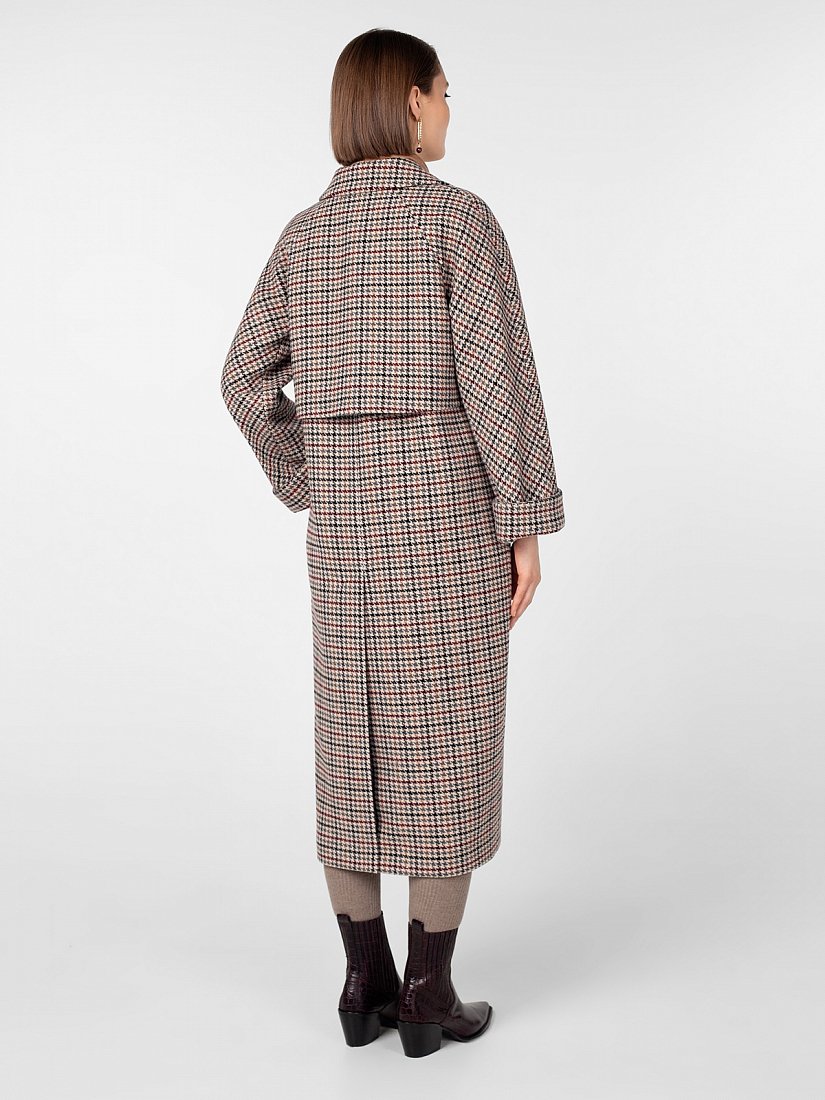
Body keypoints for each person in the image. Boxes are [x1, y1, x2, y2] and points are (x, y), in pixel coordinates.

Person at [220, 28, 566, 1057]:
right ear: (410, 102)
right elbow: (497, 381)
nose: (450, 109)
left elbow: (241, 377)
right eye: (444, 92)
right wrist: (523, 522)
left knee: (353, 745)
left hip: (345, 536)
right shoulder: (458, 221)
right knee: (445, 743)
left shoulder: (305, 235)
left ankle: (360, 979)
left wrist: (311, 476)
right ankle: (427, 992)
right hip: (447, 518)